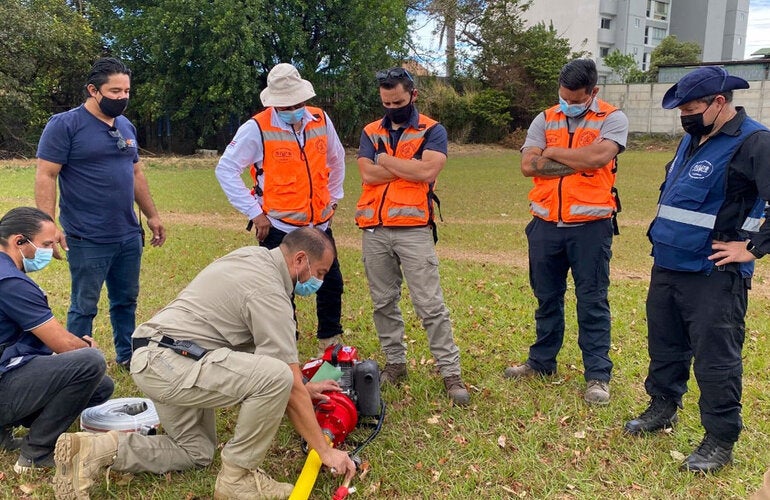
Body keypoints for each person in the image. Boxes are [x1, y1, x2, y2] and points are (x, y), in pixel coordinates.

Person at [52, 227, 356, 499]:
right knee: (277, 378)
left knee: (195, 451)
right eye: (320, 271)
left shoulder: (252, 257)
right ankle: (239, 478)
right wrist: (325, 450)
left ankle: (94, 451)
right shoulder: (270, 293)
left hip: (157, 356)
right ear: (300, 259)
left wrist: (305, 386)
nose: (321, 280)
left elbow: (274, 364)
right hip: (171, 363)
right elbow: (284, 381)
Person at [624, 66, 770, 473]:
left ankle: (720, 438)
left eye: (691, 108)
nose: (684, 117)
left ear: (719, 103)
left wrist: (754, 248)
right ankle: (663, 407)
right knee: (666, 346)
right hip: (668, 264)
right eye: (680, 110)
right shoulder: (693, 140)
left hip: (713, 274)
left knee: (716, 360)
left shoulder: (754, 142)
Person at [504, 58, 629, 406]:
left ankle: (598, 376)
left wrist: (555, 151)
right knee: (546, 298)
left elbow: (598, 158)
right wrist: (579, 157)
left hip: (591, 228)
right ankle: (542, 362)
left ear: (593, 92)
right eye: (564, 97)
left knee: (592, 302)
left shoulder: (612, 118)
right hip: (545, 226)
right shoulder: (545, 118)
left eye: (576, 99)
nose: (568, 104)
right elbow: (529, 165)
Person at [35, 57, 166, 370]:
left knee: (126, 301)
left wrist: (152, 215)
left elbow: (136, 174)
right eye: (115, 90)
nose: (122, 97)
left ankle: (127, 357)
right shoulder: (65, 125)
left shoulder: (125, 125)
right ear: (93, 90)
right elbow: (46, 175)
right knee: (84, 306)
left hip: (127, 234)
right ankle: (78, 363)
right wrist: (48, 227)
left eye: (126, 91)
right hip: (87, 236)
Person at [355, 67, 469, 406]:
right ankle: (396, 363)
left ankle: (451, 373)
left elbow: (427, 170)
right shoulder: (370, 131)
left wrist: (387, 160)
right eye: (386, 102)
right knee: (382, 302)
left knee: (430, 305)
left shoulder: (433, 130)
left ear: (413, 95)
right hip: (374, 229)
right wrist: (407, 168)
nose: (392, 107)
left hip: (414, 230)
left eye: (398, 101)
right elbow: (366, 173)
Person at [215, 63, 346, 355]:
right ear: (274, 102)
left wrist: (334, 197)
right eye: (286, 105)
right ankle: (287, 341)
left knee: (331, 282)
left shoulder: (321, 120)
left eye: (298, 103)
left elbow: (336, 160)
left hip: (319, 225)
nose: (294, 108)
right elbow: (226, 169)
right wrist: (254, 212)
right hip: (280, 227)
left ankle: (330, 338)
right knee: (279, 290)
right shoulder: (256, 128)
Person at [0, 207, 114, 473]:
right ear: (19, 241)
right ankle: (36, 453)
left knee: (101, 387)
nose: (52, 251)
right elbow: (62, 345)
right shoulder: (10, 283)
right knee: (90, 363)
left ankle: (2, 437)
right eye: (47, 244)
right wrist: (85, 347)